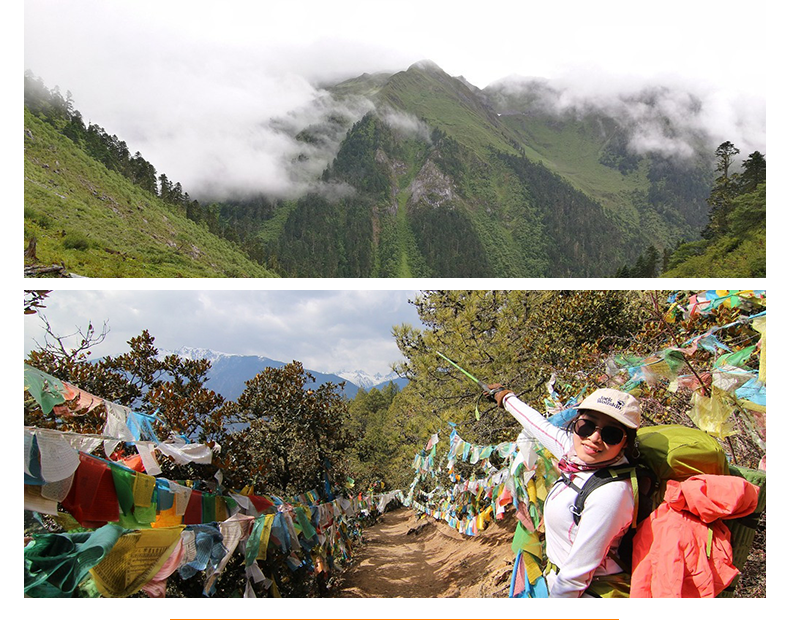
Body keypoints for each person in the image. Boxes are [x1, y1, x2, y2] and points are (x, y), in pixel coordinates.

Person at [488, 385, 641, 598]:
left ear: (626, 443)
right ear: (576, 424)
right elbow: (537, 425)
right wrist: (506, 398)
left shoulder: (611, 493)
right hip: (554, 579)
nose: (595, 438)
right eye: (587, 426)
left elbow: (576, 576)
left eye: (611, 434)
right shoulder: (576, 455)